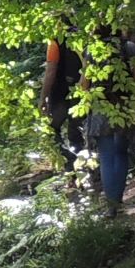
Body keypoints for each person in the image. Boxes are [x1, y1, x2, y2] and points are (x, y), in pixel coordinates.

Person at [78, 28, 135, 216]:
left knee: (106, 156)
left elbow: (84, 85)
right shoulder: (129, 47)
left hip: (101, 106)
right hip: (125, 106)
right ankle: (117, 198)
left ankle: (111, 205)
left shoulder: (92, 50)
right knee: (121, 153)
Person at [41, 36, 85, 173]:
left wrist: (43, 97)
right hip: (82, 89)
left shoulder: (54, 42)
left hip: (60, 93)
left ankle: (69, 161)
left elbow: (51, 71)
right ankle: (82, 166)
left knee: (51, 129)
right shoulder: (82, 36)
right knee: (76, 130)